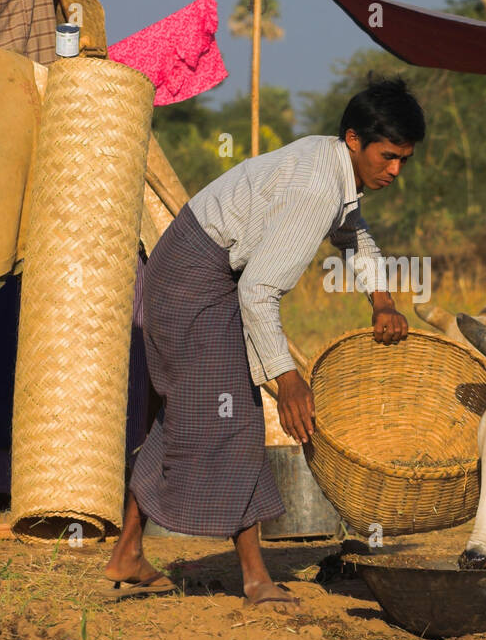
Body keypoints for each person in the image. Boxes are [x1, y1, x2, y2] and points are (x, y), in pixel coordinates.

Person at [105, 76, 425, 606]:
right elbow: (257, 291)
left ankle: (128, 552)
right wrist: (290, 380)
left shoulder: (332, 168)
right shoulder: (318, 188)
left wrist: (383, 300)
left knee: (185, 413)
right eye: (388, 156)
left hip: (193, 270)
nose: (394, 170)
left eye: (404, 160)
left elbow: (353, 233)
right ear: (353, 140)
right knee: (238, 418)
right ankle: (254, 577)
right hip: (194, 281)